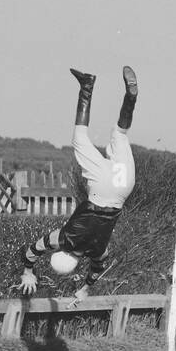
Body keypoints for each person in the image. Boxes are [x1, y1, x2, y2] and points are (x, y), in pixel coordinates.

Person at [18, 66, 138, 302]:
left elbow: (97, 269)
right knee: (80, 138)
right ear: (60, 252)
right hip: (101, 190)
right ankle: (87, 87)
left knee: (121, 134)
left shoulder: (97, 252)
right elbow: (33, 251)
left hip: (123, 188)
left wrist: (85, 288)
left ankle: (130, 97)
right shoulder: (62, 239)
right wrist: (27, 272)